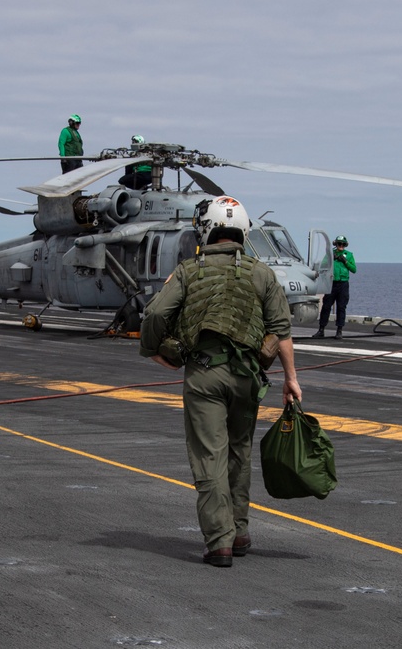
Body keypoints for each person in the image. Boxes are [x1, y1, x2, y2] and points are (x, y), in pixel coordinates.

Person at [140, 196, 302, 568]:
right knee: (239, 453)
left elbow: (157, 313)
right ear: (243, 231)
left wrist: (153, 350)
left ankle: (219, 541)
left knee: (209, 457)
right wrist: (291, 379)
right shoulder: (262, 273)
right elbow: (281, 329)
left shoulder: (187, 270)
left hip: (204, 374)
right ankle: (239, 531)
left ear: (206, 229)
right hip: (248, 377)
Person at [312, 235, 356, 339]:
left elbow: (354, 269)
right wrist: (331, 260)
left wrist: (345, 261)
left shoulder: (349, 255)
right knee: (326, 307)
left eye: (343, 244)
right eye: (339, 244)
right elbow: (323, 266)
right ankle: (321, 330)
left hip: (343, 284)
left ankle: (339, 331)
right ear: (335, 244)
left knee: (341, 307)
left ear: (345, 245)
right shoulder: (330, 254)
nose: (341, 246)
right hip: (331, 284)